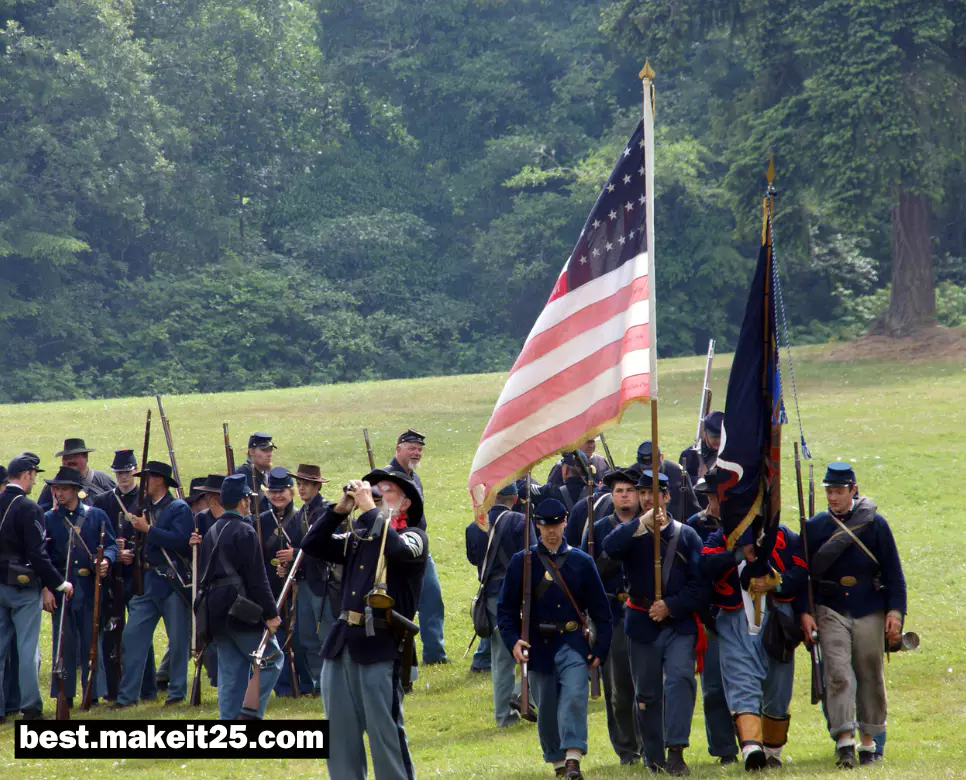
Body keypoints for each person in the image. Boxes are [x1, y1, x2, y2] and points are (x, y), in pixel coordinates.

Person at [300, 467, 429, 780]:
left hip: (381, 645)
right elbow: (313, 544)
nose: (374, 495)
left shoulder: (415, 537)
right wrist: (339, 510)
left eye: (385, 490)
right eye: (372, 489)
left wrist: (371, 511)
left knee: (385, 735)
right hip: (343, 642)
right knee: (339, 736)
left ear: (406, 503)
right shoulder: (360, 537)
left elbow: (397, 549)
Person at [798, 462, 906, 769]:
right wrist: (806, 612)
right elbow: (802, 576)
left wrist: (896, 612)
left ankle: (869, 742)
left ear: (853, 491)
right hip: (830, 608)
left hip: (869, 607)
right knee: (837, 674)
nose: (833, 497)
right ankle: (845, 740)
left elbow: (894, 573)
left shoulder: (875, 525)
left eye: (838, 491)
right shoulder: (816, 527)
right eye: (829, 491)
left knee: (870, 674)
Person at [497, 498, 612, 780]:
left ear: (564, 524)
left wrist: (601, 647)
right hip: (538, 646)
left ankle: (573, 757)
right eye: (545, 526)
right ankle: (558, 763)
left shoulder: (581, 562)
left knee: (574, 696)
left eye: (556, 525)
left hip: (572, 642)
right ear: (537, 526)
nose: (551, 532)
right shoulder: (522, 562)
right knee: (546, 708)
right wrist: (513, 642)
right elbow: (506, 609)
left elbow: (601, 610)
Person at [601, 471, 706, 777]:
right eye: (643, 492)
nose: (648, 498)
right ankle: (654, 755)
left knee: (679, 682)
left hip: (677, 624)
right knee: (646, 695)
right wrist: (639, 525)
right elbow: (610, 547)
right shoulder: (632, 533)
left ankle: (676, 751)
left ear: (667, 497)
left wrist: (671, 606)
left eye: (654, 492)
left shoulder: (686, 536)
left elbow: (700, 587)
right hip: (641, 623)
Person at [699, 481, 808, 770]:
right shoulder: (718, 539)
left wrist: (777, 581)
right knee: (740, 683)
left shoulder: (785, 538)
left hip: (777, 623)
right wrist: (738, 554)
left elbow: (801, 573)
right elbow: (706, 566)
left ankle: (773, 751)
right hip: (734, 623)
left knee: (778, 689)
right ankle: (751, 747)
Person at [196, 474, 282, 719]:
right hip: (240, 610)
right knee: (272, 660)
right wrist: (272, 614)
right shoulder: (244, 530)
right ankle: (249, 714)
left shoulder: (212, 529)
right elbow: (258, 579)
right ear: (244, 500)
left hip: (215, 612)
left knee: (231, 673)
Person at [111, 461, 193, 708]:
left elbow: (181, 540)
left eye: (146, 478)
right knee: (132, 638)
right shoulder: (142, 508)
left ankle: (177, 693)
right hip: (146, 583)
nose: (142, 482)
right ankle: (127, 697)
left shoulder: (178, 508)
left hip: (172, 583)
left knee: (178, 642)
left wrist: (148, 529)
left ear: (158, 480)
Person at [0, 453, 73, 720]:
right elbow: (37, 554)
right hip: (22, 588)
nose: (34, 482)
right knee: (28, 649)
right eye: (34, 476)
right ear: (27, 474)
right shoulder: (29, 508)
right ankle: (30, 707)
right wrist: (58, 583)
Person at [582, 468, 643, 765]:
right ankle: (627, 750)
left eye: (630, 490)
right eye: (619, 490)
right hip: (613, 614)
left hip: (645, 612)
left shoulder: (650, 525)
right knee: (618, 689)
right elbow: (584, 571)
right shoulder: (598, 529)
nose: (624, 495)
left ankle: (650, 743)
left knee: (647, 686)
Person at [42, 466, 117, 708]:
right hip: (62, 589)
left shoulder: (96, 516)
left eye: (63, 489)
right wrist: (46, 588)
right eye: (56, 489)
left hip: (89, 587)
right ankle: (65, 694)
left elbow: (112, 545)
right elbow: (42, 558)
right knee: (64, 644)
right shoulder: (49, 519)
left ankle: (93, 693)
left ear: (75, 491)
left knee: (90, 640)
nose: (58, 494)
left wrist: (105, 560)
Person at [465, 481, 535, 727]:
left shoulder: (474, 526)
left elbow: (473, 558)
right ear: (514, 499)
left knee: (500, 657)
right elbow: (533, 558)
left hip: (490, 596)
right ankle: (520, 695)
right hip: (518, 596)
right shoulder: (521, 522)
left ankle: (504, 716)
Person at [91, 448, 158, 702]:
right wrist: (113, 553)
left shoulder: (145, 499)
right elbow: (99, 534)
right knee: (112, 630)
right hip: (112, 575)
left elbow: (153, 535)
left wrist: (133, 553)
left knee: (140, 634)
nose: (124, 477)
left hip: (138, 572)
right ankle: (112, 687)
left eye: (127, 472)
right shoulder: (104, 501)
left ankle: (147, 688)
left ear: (134, 471)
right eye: (119, 472)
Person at [684, 468, 738, 765]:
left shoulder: (745, 525)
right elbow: (699, 568)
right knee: (714, 688)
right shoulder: (695, 527)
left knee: (748, 683)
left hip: (745, 614)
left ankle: (754, 742)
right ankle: (724, 749)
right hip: (711, 617)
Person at [389, 429, 447, 665]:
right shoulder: (387, 479)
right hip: (398, 550)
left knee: (432, 598)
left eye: (420, 449)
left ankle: (435, 654)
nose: (417, 452)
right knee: (402, 606)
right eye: (412, 448)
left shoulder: (414, 477)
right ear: (398, 449)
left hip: (419, 548)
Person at [259, 466, 312, 696]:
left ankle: (307, 684)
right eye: (272, 491)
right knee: (276, 640)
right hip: (270, 587)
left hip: (297, 587)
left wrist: (292, 560)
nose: (277, 496)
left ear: (291, 492)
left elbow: (310, 551)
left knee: (300, 639)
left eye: (282, 491)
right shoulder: (260, 521)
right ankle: (283, 688)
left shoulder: (301, 517)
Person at [280, 464, 333, 693]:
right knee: (308, 638)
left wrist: (295, 554)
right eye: (299, 484)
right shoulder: (300, 515)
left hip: (323, 582)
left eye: (306, 484)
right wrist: (286, 563)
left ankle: (330, 685)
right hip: (304, 582)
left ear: (317, 486)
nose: (301, 488)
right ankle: (318, 684)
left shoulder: (327, 512)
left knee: (326, 636)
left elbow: (327, 547)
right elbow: (292, 544)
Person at [37, 438, 116, 511]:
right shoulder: (52, 487)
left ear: (86, 458)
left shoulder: (104, 481)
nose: (70, 460)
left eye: (75, 456)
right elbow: (41, 515)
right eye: (66, 457)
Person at [637, 441, 700, 527]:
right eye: (645, 469)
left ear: (661, 458)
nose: (650, 473)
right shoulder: (632, 474)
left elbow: (692, 507)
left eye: (653, 468)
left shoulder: (678, 473)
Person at [679, 411, 723, 507]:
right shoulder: (688, 455)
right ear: (704, 433)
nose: (718, 441)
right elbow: (682, 485)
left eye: (721, 437)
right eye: (714, 437)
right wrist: (699, 481)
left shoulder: (728, 457)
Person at [234, 432, 276, 513]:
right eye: (264, 450)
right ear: (251, 451)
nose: (269, 454)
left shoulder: (269, 475)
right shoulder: (239, 476)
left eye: (270, 450)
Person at [545, 439, 610, 488]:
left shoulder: (601, 461)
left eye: (592, 441)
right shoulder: (561, 466)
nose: (591, 446)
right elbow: (550, 491)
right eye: (586, 442)